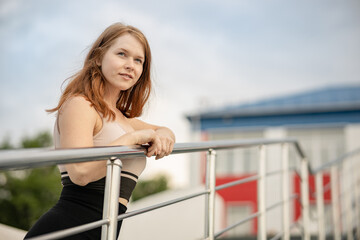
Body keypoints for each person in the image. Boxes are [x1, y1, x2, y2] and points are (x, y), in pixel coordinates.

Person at [24, 23, 175, 239]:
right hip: (69, 229)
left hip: (105, 229)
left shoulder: (124, 119)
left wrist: (164, 137)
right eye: (122, 54)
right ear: (98, 57)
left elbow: (165, 130)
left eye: (138, 60)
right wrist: (132, 139)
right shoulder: (81, 105)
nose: (130, 65)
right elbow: (81, 172)